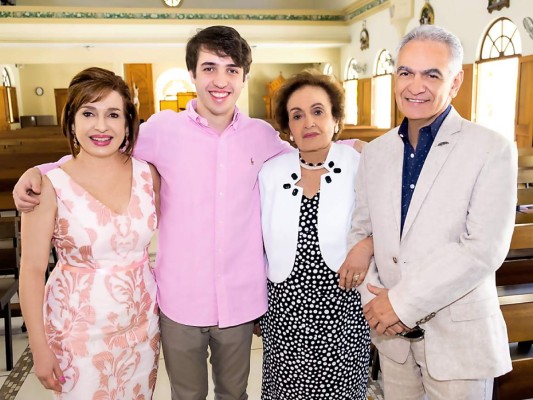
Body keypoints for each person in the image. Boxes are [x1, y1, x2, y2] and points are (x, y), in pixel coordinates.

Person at [13, 26, 362, 400]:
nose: (220, 80)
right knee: (186, 396)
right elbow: (106, 147)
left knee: (235, 394)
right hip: (179, 299)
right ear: (192, 74)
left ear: (244, 77)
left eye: (231, 70)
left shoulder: (261, 137)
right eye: (209, 68)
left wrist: (351, 147)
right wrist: (44, 170)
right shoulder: (162, 129)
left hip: (240, 299)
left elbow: (307, 147)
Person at [343, 25, 517, 399]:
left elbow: (482, 249)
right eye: (406, 72)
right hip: (392, 341)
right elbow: (361, 231)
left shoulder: (491, 148)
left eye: (431, 74)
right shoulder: (377, 153)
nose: (415, 86)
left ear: (455, 82)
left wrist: (400, 304)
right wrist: (376, 306)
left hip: (458, 338)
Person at [19, 67, 161, 398]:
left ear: (127, 123)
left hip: (141, 329)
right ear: (71, 122)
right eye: (88, 113)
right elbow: (32, 271)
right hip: (77, 334)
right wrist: (39, 349)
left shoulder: (147, 175)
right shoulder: (49, 186)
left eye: (113, 114)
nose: (101, 126)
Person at [258, 70, 372, 399]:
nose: (308, 122)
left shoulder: (360, 164)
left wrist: (367, 245)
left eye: (318, 111)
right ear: (287, 128)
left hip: (344, 310)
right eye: (297, 115)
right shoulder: (270, 172)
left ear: (336, 119)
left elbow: (387, 225)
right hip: (284, 314)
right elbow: (257, 244)